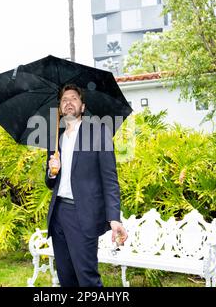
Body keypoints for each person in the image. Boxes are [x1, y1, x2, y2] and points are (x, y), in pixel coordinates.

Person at [45, 84, 128, 287]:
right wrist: (52, 172)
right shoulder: (56, 139)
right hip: (58, 216)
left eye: (74, 98)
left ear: (82, 107)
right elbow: (49, 183)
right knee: (66, 278)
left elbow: (110, 179)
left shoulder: (99, 132)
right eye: (64, 100)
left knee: (87, 279)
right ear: (60, 109)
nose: (68, 102)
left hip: (82, 216)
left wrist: (114, 219)